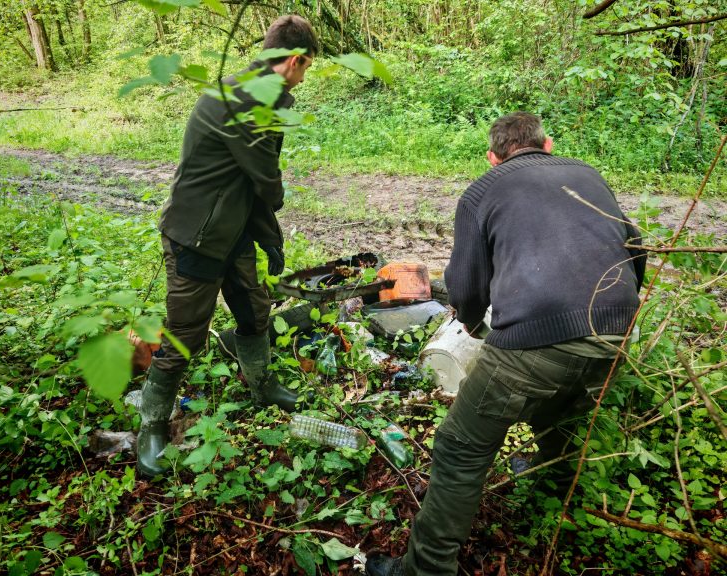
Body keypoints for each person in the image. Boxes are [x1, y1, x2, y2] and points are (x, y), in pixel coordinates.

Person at [366, 112, 647, 576]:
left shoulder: (482, 189)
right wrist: (621, 313)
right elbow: (633, 246)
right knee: (566, 408)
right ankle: (555, 489)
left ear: (492, 158)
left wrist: (474, 328)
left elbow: (467, 288)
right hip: (615, 328)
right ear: (548, 145)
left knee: (460, 446)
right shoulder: (588, 175)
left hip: (536, 337)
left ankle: (426, 568)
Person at [136, 15, 320, 478]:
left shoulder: (258, 92)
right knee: (185, 336)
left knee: (254, 311)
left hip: (232, 230)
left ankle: (260, 383)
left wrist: (268, 239)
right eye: (306, 68)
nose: (304, 77)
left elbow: (247, 185)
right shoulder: (245, 98)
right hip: (195, 235)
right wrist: (274, 212)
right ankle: (153, 424)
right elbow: (265, 180)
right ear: (295, 60)